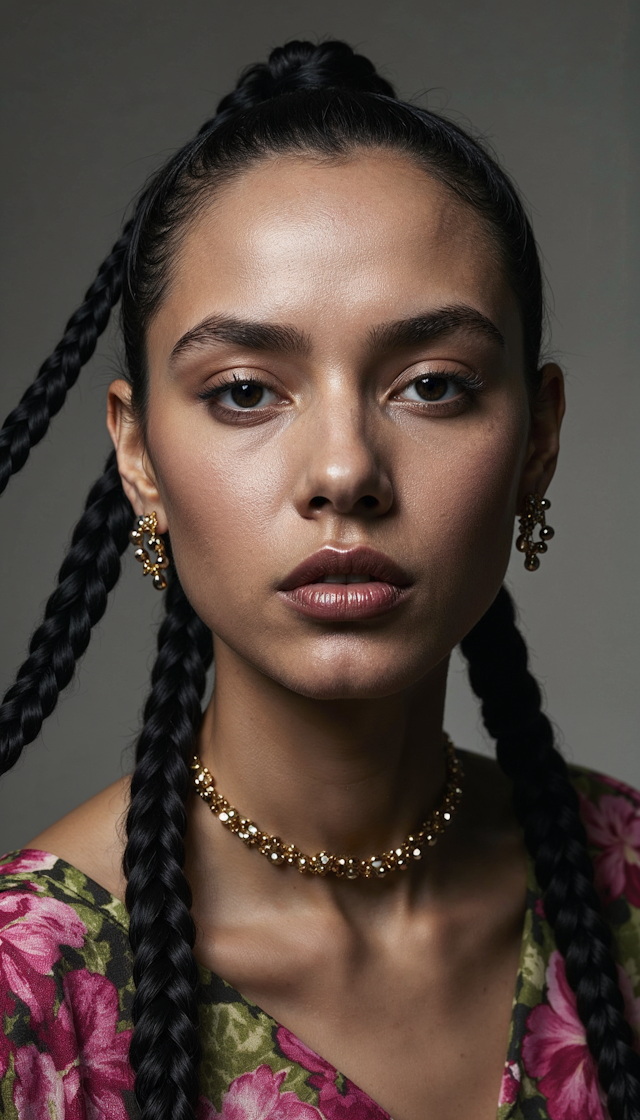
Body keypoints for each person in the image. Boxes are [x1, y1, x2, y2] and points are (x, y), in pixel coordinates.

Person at [0, 36, 638, 1120]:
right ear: (138, 456)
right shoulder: (31, 996)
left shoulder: (621, 892)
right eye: (246, 390)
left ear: (537, 442)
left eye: (431, 384)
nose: (343, 470)